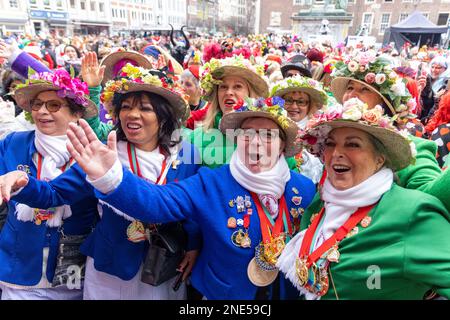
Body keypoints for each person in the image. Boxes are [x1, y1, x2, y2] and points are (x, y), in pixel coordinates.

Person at [48, 97, 316, 299]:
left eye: (267, 136)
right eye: (248, 134)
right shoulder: (211, 182)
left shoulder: (304, 189)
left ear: (283, 145)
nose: (256, 143)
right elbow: (156, 202)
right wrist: (111, 177)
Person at [0, 63, 202, 300]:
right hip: (110, 267)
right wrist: (22, 181)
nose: (132, 114)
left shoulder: (187, 153)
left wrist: (193, 244)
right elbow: (54, 193)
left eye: (145, 108)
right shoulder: (104, 152)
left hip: (163, 264)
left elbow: (193, 206)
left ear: (163, 115)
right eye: (125, 107)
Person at [277, 98, 450, 300]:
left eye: (353, 144)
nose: (336, 153)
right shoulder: (321, 200)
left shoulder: (413, 212)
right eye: (330, 144)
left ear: (380, 159)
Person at [0, 65, 99, 300]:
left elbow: (54, 194)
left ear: (76, 113)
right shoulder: (14, 143)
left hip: (74, 274)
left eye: (53, 105)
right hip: (20, 269)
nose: (42, 111)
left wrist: (22, 182)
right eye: (37, 104)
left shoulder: (91, 152)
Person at [330, 53, 450, 212]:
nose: (351, 95)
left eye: (364, 89)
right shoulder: (329, 139)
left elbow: (432, 196)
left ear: (384, 103)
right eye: (350, 87)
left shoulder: (411, 148)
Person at [189, 55, 269, 168]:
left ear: (250, 93)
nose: (229, 92)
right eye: (223, 87)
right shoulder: (196, 138)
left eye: (237, 86)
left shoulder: (270, 136)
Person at [270, 74, 328, 183]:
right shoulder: (271, 127)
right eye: (288, 100)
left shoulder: (318, 132)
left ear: (309, 106)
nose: (294, 106)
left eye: (301, 102)